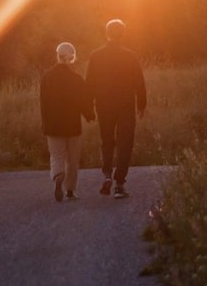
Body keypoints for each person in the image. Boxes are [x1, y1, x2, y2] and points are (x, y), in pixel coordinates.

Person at [84, 19, 146, 199]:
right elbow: (139, 82)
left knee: (107, 140)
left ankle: (107, 175)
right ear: (123, 34)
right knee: (125, 142)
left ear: (107, 34)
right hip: (125, 105)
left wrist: (88, 108)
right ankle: (119, 183)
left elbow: (90, 83)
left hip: (104, 105)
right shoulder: (130, 56)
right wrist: (141, 104)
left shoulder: (96, 56)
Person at [39, 42, 92, 202]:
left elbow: (43, 102)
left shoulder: (46, 77)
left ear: (57, 55)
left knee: (57, 156)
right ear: (72, 57)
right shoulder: (76, 79)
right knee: (73, 159)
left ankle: (57, 176)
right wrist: (90, 114)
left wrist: (45, 123)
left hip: (53, 125)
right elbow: (84, 101)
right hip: (72, 125)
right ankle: (70, 190)